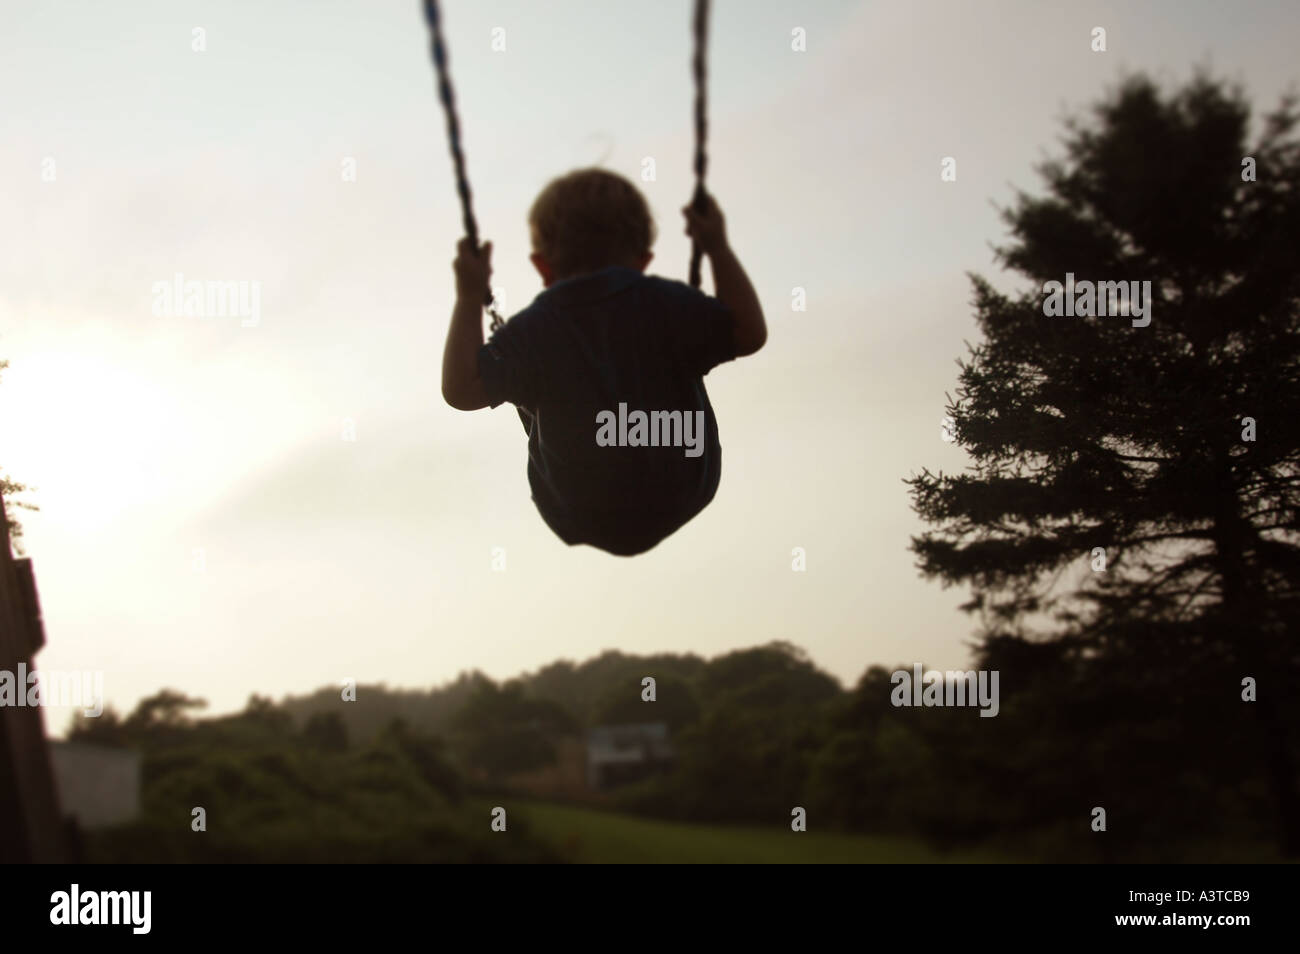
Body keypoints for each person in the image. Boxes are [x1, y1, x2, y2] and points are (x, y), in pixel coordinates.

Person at [441, 168, 766, 555]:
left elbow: (461, 389)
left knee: (536, 387)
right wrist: (717, 247)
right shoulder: (667, 305)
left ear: (543, 267)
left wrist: (468, 296)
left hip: (576, 510)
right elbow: (749, 334)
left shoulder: (534, 332)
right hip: (682, 488)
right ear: (643, 259)